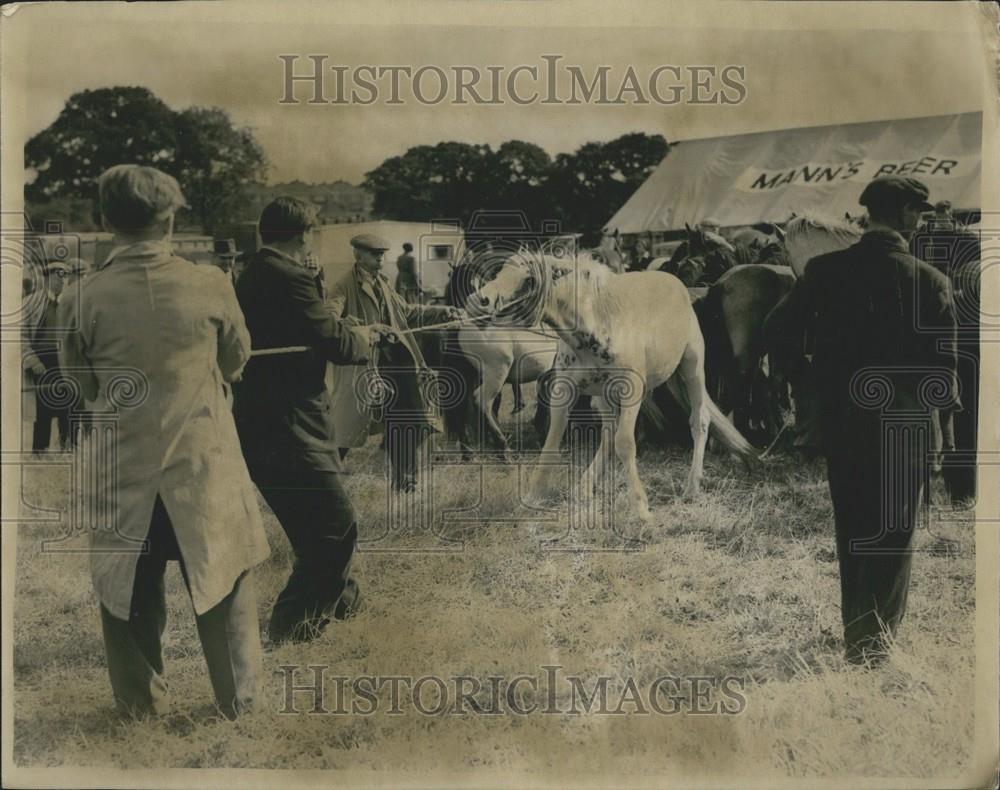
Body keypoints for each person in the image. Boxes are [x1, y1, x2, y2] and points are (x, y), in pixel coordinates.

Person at [59, 165, 270, 718]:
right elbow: (235, 360)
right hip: (201, 462)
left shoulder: (80, 295)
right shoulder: (209, 283)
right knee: (223, 578)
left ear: (104, 219)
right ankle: (238, 704)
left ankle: (138, 708)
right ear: (171, 216)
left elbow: (81, 385)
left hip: (122, 467)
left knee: (126, 591)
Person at [765, 175, 959, 666]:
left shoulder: (824, 271)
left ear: (868, 213)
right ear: (903, 214)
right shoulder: (930, 281)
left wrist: (808, 382)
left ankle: (859, 640)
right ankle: (879, 645)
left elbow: (776, 330)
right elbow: (944, 369)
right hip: (905, 428)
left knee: (853, 531)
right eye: (918, 211)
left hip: (843, 423)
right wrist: (943, 432)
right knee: (893, 537)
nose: (921, 220)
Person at [232, 198, 394, 644]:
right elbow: (335, 341)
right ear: (305, 233)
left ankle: (346, 608)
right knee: (335, 527)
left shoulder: (251, 273)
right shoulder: (292, 279)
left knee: (317, 527)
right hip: (292, 427)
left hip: (261, 426)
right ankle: (291, 629)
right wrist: (363, 336)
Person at [329, 233, 461, 492]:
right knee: (345, 429)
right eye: (374, 255)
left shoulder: (385, 283)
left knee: (407, 421)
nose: (380, 259)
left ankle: (406, 481)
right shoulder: (342, 285)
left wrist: (441, 311)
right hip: (364, 366)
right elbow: (329, 320)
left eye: (382, 255)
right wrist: (366, 329)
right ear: (358, 255)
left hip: (397, 363)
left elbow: (408, 313)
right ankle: (326, 482)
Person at [23, 259, 74, 452]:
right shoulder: (31, 303)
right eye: (57, 276)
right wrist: (32, 360)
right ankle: (40, 450)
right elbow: (21, 335)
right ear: (47, 278)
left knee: (68, 405)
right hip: (41, 361)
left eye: (66, 276)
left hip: (67, 362)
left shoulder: (73, 303)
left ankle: (67, 447)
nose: (62, 281)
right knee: (42, 408)